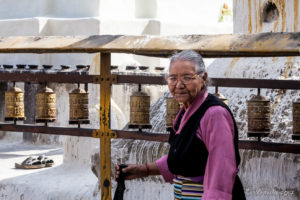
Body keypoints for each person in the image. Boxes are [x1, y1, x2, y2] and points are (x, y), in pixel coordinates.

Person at [115, 50, 246, 200]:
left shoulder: (214, 114)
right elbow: (185, 157)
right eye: (173, 78)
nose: (179, 85)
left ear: (203, 78)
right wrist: (143, 170)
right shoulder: (186, 111)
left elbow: (221, 171)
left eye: (187, 77)